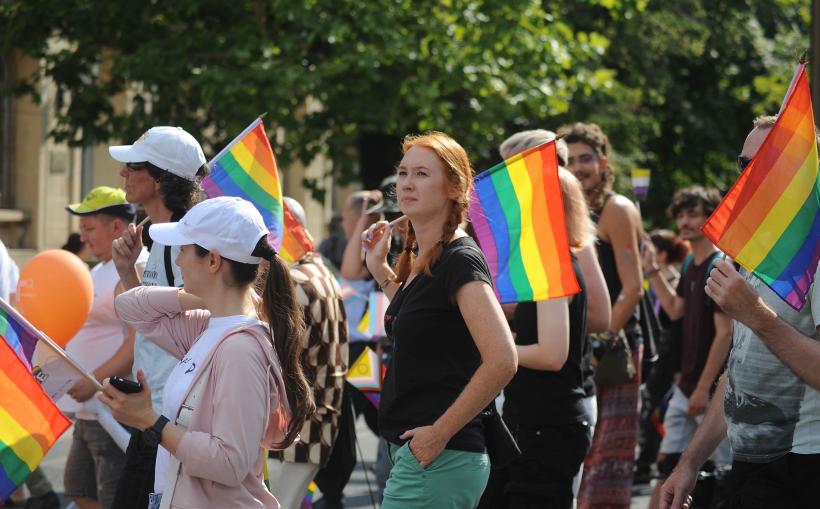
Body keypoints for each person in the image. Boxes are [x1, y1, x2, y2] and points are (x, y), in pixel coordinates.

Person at [99, 196, 314, 509]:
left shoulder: (241, 349)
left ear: (213, 261)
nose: (178, 261)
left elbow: (229, 463)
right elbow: (131, 307)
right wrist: (203, 298)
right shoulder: (209, 326)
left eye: (184, 251)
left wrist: (149, 420)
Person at [661, 116, 820, 508]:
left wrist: (756, 314)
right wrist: (689, 462)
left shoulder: (816, 250)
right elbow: (740, 366)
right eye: (743, 164)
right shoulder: (750, 249)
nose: (749, 176)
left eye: (764, 161)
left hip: (804, 464)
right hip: (751, 463)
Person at [361, 131, 517, 508]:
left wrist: (439, 433)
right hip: (421, 454)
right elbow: (422, 321)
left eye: (421, 174)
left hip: (440, 456)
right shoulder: (428, 257)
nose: (406, 184)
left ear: (454, 187)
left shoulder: (460, 258)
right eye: (402, 173)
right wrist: (380, 271)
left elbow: (502, 359)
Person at [479, 134, 597, 508]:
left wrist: (496, 349)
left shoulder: (550, 261)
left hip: (549, 424)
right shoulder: (545, 260)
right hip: (534, 420)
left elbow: (552, 354)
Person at [107, 125, 207, 509]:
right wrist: (126, 269)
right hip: (156, 415)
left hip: (174, 419)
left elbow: (204, 311)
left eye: (133, 166)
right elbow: (148, 320)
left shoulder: (185, 238)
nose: (123, 174)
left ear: (161, 177)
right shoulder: (160, 235)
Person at [558, 122, 644, 509]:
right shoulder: (564, 212)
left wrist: (597, 343)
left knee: (607, 459)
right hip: (577, 350)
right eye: (569, 160)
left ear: (603, 162)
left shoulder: (617, 209)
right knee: (579, 455)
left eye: (586, 158)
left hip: (614, 350)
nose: (578, 167)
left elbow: (633, 288)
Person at [642, 187, 733, 508]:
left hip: (711, 390)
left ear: (711, 215)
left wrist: (704, 387)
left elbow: (725, 334)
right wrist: (652, 270)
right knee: (668, 466)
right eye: (680, 215)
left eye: (693, 214)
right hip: (687, 385)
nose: (684, 222)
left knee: (723, 472)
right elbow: (675, 310)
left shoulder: (718, 265)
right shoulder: (690, 264)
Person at [60, 187, 147, 509]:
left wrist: (95, 380)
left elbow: (140, 340)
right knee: (79, 489)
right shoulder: (98, 270)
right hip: (90, 406)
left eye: (90, 228)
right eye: (82, 230)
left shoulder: (135, 268)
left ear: (116, 228)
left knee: (113, 498)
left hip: (114, 406)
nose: (84, 238)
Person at [267, 197, 349, 509]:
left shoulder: (295, 280)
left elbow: (273, 357)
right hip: (315, 424)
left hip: (293, 430)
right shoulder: (322, 272)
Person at [634, 229, 689, 485]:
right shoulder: (648, 281)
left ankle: (649, 463)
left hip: (669, 359)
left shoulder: (675, 282)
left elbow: (674, 319)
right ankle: (647, 461)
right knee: (649, 408)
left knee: (656, 411)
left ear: (662, 254)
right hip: (653, 355)